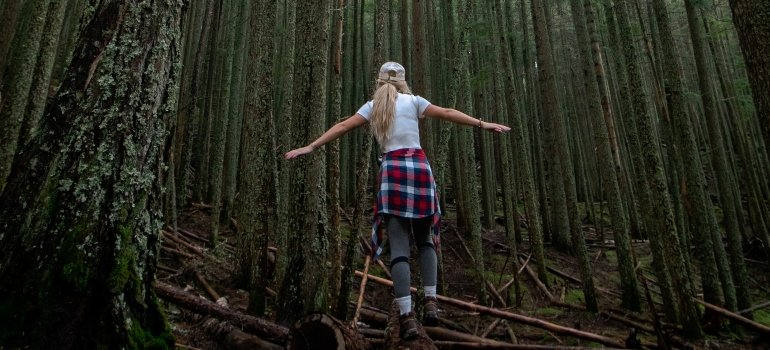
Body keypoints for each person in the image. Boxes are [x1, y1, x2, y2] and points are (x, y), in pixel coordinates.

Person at [285, 62, 510, 340]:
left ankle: (406, 317)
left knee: (400, 246)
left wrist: (311, 146)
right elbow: (448, 113)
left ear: (379, 82)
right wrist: (481, 123)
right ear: (403, 81)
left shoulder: (373, 107)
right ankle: (430, 302)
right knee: (426, 239)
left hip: (392, 171)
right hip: (418, 167)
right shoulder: (415, 102)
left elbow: (343, 125)